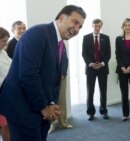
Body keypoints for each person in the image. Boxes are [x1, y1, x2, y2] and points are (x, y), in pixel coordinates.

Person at [0, 5, 86, 141]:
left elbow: (53, 79)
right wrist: (43, 107)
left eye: (80, 27)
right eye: (75, 22)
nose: (76, 29)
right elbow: (28, 75)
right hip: (22, 109)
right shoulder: (37, 33)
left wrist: (51, 104)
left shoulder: (60, 45)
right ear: (61, 17)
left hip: (40, 110)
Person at [82, 19, 111, 121]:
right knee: (90, 91)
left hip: (102, 68)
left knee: (103, 91)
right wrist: (90, 64)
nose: (97, 28)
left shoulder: (106, 38)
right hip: (91, 69)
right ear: (92, 26)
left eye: (99, 26)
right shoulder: (86, 38)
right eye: (95, 26)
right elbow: (84, 54)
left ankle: (103, 111)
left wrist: (102, 64)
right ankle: (90, 112)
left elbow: (108, 54)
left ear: (101, 27)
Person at [49, 42, 72, 133]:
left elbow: (65, 60)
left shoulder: (62, 44)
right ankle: (52, 123)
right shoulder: (48, 43)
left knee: (62, 100)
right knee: (51, 101)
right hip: (50, 78)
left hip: (61, 77)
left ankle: (63, 122)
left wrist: (63, 73)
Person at [0, 27, 11, 141]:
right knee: (4, 123)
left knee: (6, 123)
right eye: (3, 41)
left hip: (7, 94)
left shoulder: (3, 52)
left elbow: (12, 68)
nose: (6, 44)